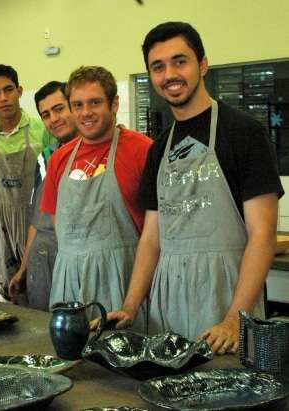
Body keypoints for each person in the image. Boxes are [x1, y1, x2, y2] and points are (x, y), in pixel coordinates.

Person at [106, 22, 283, 353]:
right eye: (158, 67)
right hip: (167, 300)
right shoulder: (159, 148)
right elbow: (152, 238)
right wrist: (131, 305)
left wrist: (236, 319)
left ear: (202, 64)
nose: (170, 73)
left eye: (180, 61)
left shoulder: (245, 133)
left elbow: (263, 236)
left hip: (226, 294)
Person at [41, 66, 152, 329]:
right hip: (69, 282)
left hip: (123, 281)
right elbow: (59, 223)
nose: (85, 112)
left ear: (114, 104)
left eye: (95, 103)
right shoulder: (59, 159)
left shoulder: (142, 150)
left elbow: (157, 231)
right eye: (77, 105)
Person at [0, 64, 55, 301]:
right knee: (4, 298)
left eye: (9, 90)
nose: (3, 98)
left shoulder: (43, 130)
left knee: (41, 291)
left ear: (20, 91)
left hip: (37, 222)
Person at [8, 81, 77, 310]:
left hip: (76, 261)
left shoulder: (96, 154)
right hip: (42, 262)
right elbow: (36, 221)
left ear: (74, 106)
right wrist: (24, 268)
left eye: (59, 109)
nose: (54, 119)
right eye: (46, 114)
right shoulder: (45, 159)